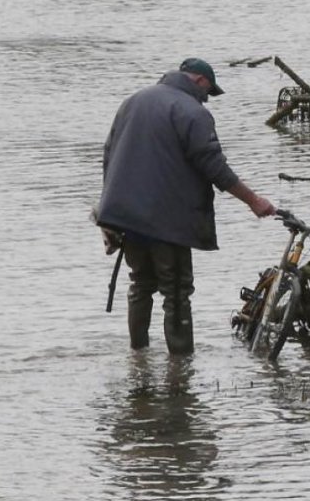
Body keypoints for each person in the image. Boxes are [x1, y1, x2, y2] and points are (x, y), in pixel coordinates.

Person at [96, 58, 275, 354]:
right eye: (208, 93)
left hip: (126, 218)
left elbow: (108, 155)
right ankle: (180, 369)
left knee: (140, 284)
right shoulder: (192, 112)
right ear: (201, 81)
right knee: (177, 292)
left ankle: (137, 355)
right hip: (168, 222)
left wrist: (108, 213)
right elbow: (214, 166)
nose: (206, 100)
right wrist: (254, 201)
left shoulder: (132, 102)